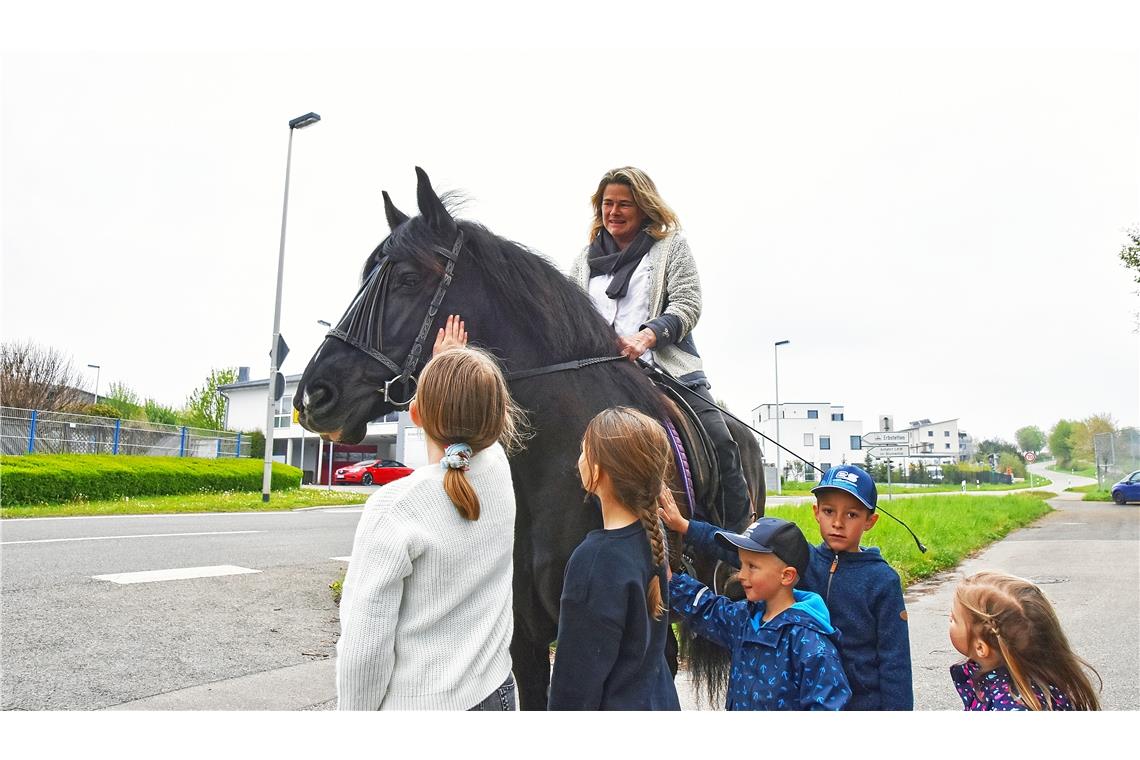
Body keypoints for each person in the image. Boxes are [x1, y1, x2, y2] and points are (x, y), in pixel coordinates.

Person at [336, 326, 526, 710]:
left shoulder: (394, 509)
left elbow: (365, 650)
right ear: (498, 416)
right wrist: (454, 366)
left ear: (415, 414)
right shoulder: (499, 470)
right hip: (497, 692)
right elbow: (481, 420)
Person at [568, 166, 750, 531]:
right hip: (602, 379)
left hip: (666, 372)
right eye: (607, 203)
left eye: (624, 204)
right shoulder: (583, 262)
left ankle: (739, 540)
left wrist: (645, 337)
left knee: (721, 441)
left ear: (644, 208)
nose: (613, 212)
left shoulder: (671, 248)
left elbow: (687, 304)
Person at [659, 463, 913, 710]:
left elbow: (895, 661)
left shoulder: (882, 580)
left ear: (870, 520)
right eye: (828, 511)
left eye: (852, 514)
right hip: (801, 694)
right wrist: (686, 527)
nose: (837, 522)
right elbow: (747, 556)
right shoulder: (804, 561)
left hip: (860, 707)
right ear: (816, 512)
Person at [547, 406, 681, 710]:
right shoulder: (652, 532)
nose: (579, 458)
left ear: (598, 471)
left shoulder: (594, 562)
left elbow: (574, 687)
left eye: (584, 451)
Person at [669, 516, 851, 710]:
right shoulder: (744, 619)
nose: (741, 575)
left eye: (752, 567)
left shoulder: (811, 645)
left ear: (786, 575)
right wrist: (670, 580)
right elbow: (707, 608)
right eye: (741, 564)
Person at [949, 571, 1101, 711]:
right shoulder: (1041, 678)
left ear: (981, 648)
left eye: (954, 619)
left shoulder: (1010, 707)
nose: (950, 618)